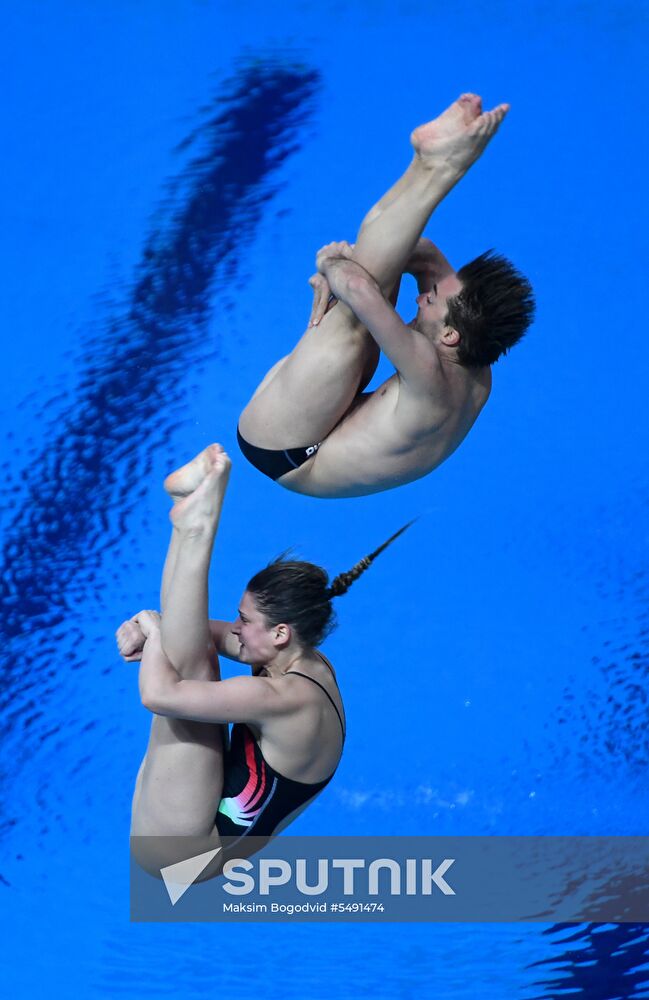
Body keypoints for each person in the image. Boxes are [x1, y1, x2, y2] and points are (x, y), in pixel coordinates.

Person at [117, 444, 409, 877]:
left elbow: (158, 694)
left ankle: (195, 529)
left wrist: (155, 630)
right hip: (197, 824)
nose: (234, 627)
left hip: (178, 857)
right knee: (192, 653)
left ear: (279, 632)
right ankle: (188, 520)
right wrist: (152, 626)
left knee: (189, 669)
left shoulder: (279, 696)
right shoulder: (298, 659)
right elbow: (200, 633)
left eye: (243, 619)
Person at [237, 93, 535, 498]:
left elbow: (357, 290)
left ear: (450, 337)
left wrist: (331, 264)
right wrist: (348, 271)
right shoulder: (474, 352)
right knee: (382, 278)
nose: (421, 297)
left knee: (356, 320)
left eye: (432, 300)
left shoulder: (431, 371)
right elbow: (423, 252)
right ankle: (427, 164)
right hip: (322, 415)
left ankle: (446, 167)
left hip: (288, 450)